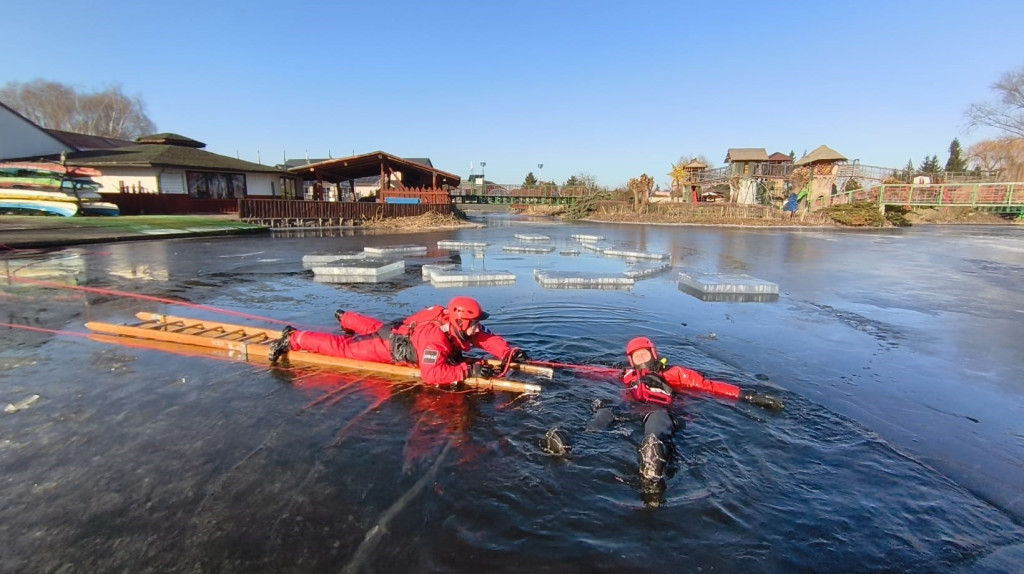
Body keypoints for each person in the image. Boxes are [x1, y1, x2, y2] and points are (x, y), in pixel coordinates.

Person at [618, 337, 784, 499]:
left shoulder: (675, 374)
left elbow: (710, 386)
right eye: (636, 356)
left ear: (653, 354)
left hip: (663, 413)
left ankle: (653, 467)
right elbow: (596, 372)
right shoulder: (627, 375)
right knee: (605, 412)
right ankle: (594, 433)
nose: (641, 359)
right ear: (631, 361)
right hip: (631, 412)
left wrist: (749, 396)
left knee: (655, 430)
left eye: (644, 354)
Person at [267, 296, 528, 387]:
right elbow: (432, 374)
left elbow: (486, 337)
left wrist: (508, 353)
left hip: (402, 329)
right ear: (460, 321)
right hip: (391, 348)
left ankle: (346, 317)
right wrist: (467, 370)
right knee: (344, 349)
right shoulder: (435, 341)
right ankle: (295, 337)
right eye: (473, 322)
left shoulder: (458, 322)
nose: (477, 327)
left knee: (379, 328)